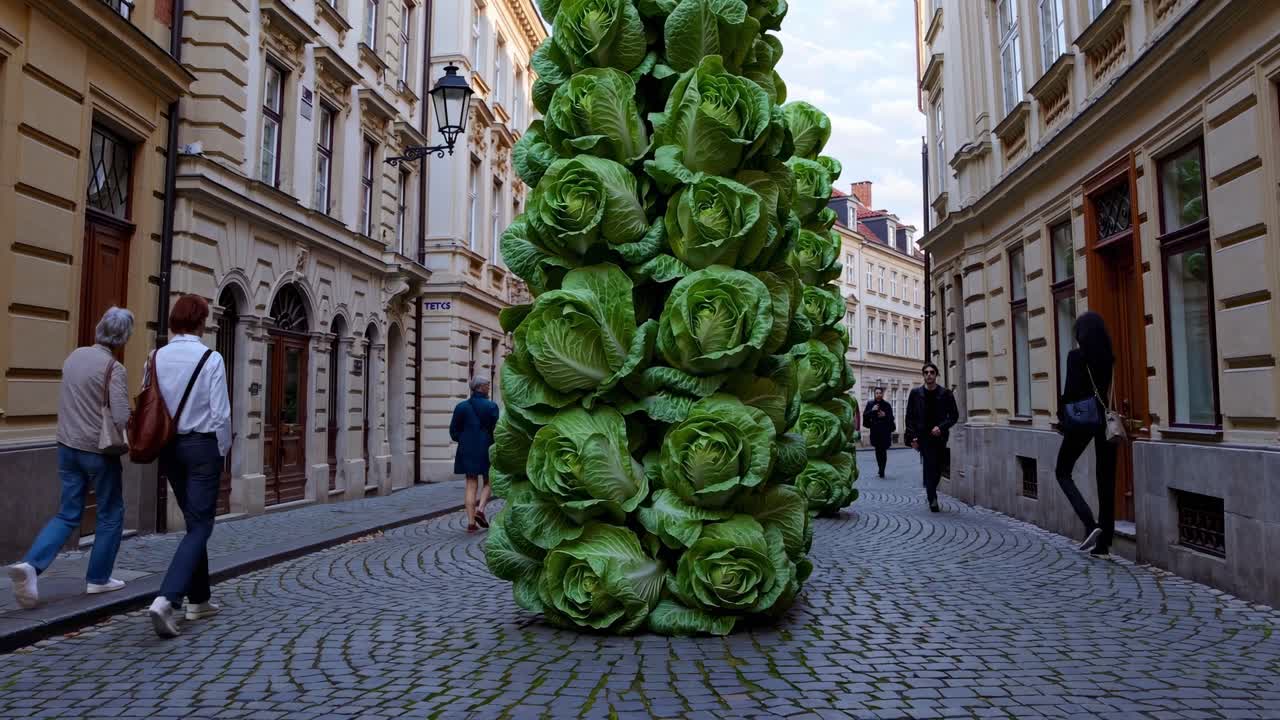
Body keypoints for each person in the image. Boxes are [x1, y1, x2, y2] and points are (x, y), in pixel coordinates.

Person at [6, 308, 135, 608]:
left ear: (100, 328)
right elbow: (120, 416)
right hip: (98, 451)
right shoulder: (113, 369)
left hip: (66, 445)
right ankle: (99, 578)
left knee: (67, 513)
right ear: (122, 338)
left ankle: (31, 566)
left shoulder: (73, 357)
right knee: (111, 512)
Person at [147, 295, 232, 638]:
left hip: (168, 446)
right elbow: (220, 413)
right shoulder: (211, 358)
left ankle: (200, 600)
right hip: (202, 446)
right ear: (201, 322)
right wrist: (222, 451)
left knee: (195, 522)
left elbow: (148, 401)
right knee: (200, 526)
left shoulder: (155, 356)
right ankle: (168, 599)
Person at [1055, 311, 1118, 558]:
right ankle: (1104, 544)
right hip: (1105, 421)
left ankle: (1091, 525)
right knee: (1106, 481)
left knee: (1062, 471)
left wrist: (1061, 416)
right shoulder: (1108, 359)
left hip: (1083, 420)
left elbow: (1070, 392)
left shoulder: (1075, 357)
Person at [904, 363, 958, 513]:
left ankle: (931, 489)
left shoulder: (946, 393)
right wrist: (912, 437)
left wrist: (941, 427)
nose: (929, 375)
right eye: (926, 372)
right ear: (923, 375)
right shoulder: (915, 393)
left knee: (939, 467)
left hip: (940, 437)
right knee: (929, 465)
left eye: (932, 372)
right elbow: (910, 417)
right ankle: (932, 498)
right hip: (923, 436)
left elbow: (954, 416)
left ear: (936, 375)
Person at [450, 376, 499, 534]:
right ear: (481, 387)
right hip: (486, 448)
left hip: (467, 450)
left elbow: (454, 432)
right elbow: (497, 431)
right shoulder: (491, 407)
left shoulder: (461, 407)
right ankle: (481, 509)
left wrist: (465, 441)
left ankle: (471, 524)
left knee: (471, 484)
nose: (489, 387)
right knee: (489, 480)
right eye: (487, 385)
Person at [862, 387, 896, 478]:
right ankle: (880, 468)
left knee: (883, 451)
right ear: (874, 394)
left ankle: (882, 470)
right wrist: (872, 410)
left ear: (882, 394)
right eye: (876, 393)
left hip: (884, 431)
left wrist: (885, 415)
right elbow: (865, 415)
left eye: (880, 393)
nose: (878, 395)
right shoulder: (870, 404)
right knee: (877, 450)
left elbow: (892, 418)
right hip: (875, 431)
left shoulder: (887, 405)